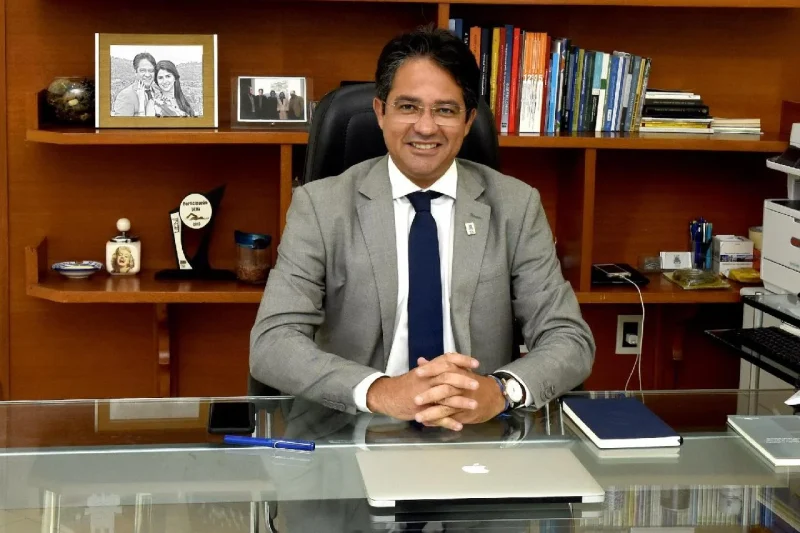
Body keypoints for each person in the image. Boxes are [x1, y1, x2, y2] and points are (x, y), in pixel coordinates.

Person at [250, 26, 595, 431]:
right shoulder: (320, 207)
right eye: (408, 107)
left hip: (479, 430)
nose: (426, 127)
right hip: (350, 426)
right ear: (381, 113)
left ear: (468, 121)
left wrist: (502, 390)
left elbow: (569, 338)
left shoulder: (516, 207)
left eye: (445, 110)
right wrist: (379, 391)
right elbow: (272, 342)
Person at [112, 52, 157, 117]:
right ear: (135, 72)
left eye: (151, 71)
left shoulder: (157, 92)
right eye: (143, 70)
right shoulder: (126, 95)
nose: (147, 75)